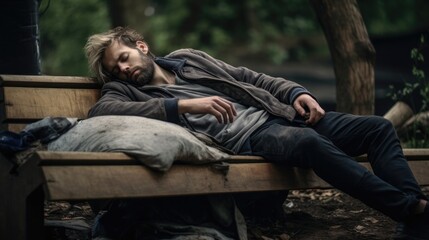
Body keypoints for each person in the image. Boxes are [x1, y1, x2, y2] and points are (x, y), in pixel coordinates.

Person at [84, 26, 428, 240]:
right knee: (309, 143)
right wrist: (186, 106)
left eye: (125, 58)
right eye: (117, 69)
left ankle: (415, 216)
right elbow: (102, 112)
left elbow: (251, 78)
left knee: (378, 128)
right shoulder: (125, 92)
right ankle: (408, 210)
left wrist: (296, 93)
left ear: (141, 47)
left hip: (280, 115)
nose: (124, 69)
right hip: (250, 139)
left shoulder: (188, 58)